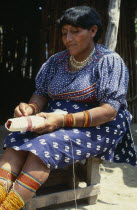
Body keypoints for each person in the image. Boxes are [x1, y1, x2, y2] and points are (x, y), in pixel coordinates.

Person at [0, 5, 137, 209]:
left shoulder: (109, 62)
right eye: (64, 33)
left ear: (93, 31)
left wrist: (63, 120)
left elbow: (109, 110)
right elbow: (41, 94)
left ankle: (8, 206)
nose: (68, 39)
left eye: (75, 31)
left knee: (44, 146)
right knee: (16, 139)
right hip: (54, 118)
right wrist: (30, 108)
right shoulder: (56, 61)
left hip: (97, 125)